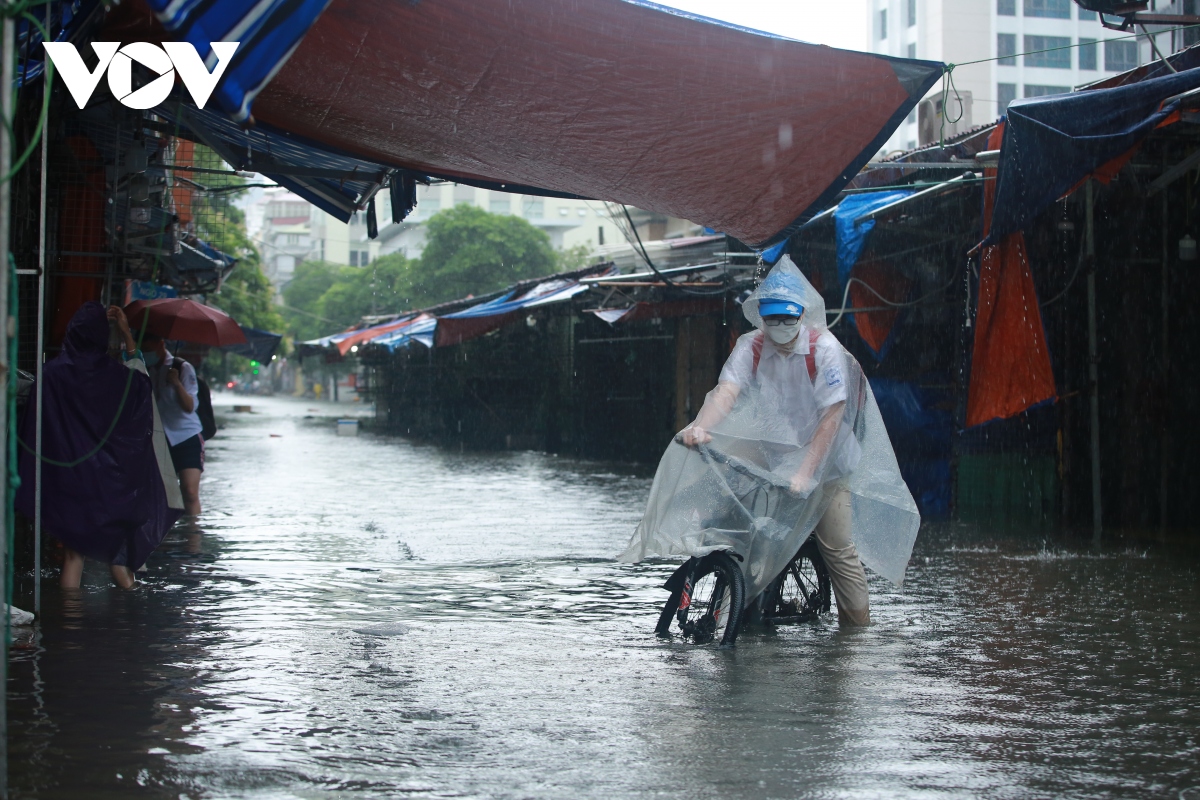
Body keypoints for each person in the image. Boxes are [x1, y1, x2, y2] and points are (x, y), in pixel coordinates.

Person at [620, 257, 921, 627]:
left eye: (787, 319)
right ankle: (741, 608)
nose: (779, 327)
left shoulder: (823, 348)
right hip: (778, 451)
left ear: (801, 315)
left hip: (827, 462)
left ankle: (856, 638)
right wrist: (700, 426)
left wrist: (806, 473)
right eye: (771, 319)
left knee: (836, 546)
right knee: (749, 526)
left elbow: (832, 416)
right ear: (760, 317)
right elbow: (726, 392)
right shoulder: (752, 346)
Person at [15, 303, 183, 589]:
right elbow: (142, 385)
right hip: (108, 483)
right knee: (118, 558)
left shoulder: (51, 374)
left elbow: (34, 422)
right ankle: (128, 621)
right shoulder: (117, 377)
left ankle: (67, 624)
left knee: (72, 556)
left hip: (66, 480)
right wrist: (126, 333)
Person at [142, 333, 205, 515]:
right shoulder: (147, 370)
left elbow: (189, 406)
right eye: (144, 350)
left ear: (161, 344)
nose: (147, 354)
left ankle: (192, 538)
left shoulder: (182, 368)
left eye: (149, 349)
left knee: (190, 492)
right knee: (161, 494)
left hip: (187, 437)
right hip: (161, 438)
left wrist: (177, 383)